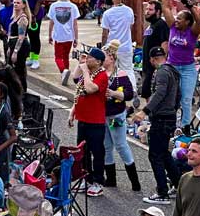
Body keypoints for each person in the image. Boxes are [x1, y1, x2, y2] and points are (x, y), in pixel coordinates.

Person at [136, 47, 182, 205]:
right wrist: (173, 109)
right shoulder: (173, 71)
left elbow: (160, 93)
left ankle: (162, 192)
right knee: (164, 154)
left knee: (155, 155)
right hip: (169, 116)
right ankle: (178, 186)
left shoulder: (161, 72)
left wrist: (145, 111)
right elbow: (178, 95)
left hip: (161, 118)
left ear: (152, 59)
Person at [68, 47, 109, 197]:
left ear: (98, 62)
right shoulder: (88, 73)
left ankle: (98, 181)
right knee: (82, 151)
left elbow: (90, 89)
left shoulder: (101, 75)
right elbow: (77, 84)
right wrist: (80, 63)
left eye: (90, 58)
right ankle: (86, 177)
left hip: (95, 120)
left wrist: (85, 71)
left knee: (97, 152)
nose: (88, 60)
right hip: (83, 118)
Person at [102, 40, 140, 193]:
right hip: (102, 115)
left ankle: (135, 181)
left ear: (111, 58)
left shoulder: (120, 75)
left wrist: (114, 93)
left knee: (121, 145)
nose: (100, 61)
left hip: (116, 115)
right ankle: (111, 179)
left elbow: (129, 94)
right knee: (106, 146)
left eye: (103, 57)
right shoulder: (99, 74)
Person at [160, 0, 200, 127]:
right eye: (176, 17)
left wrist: (191, 8)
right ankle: (170, 122)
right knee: (170, 97)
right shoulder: (172, 27)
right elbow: (165, 8)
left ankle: (185, 126)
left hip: (188, 69)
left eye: (180, 18)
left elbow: (199, 22)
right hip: (171, 67)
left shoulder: (193, 32)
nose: (176, 20)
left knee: (186, 99)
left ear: (187, 22)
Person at [48, 0, 81, 85]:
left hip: (58, 35)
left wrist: (50, 35)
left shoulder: (53, 6)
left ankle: (63, 71)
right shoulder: (73, 6)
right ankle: (65, 72)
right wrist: (76, 38)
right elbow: (75, 24)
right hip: (69, 36)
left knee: (58, 57)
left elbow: (51, 22)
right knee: (66, 56)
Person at [100, 0, 134, 72]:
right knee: (128, 71)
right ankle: (131, 85)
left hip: (112, 48)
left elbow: (105, 34)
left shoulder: (107, 13)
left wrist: (103, 47)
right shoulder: (129, 11)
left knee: (110, 72)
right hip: (126, 47)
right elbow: (130, 27)